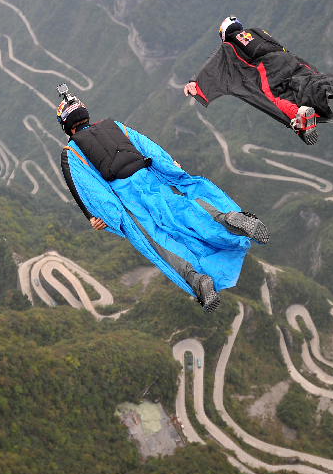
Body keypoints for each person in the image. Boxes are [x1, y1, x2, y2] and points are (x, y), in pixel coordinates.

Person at [55, 84, 268, 312]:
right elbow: (147, 146)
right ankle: (226, 218)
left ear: (67, 127)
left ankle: (196, 279)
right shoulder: (113, 126)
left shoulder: (72, 152)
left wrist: (101, 218)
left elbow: (87, 189)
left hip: (128, 199)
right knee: (184, 210)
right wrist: (169, 166)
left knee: (158, 242)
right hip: (148, 178)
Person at [183, 16, 333, 145]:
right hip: (290, 59)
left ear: (224, 34)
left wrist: (195, 81)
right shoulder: (258, 31)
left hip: (267, 67)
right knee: (318, 81)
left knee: (273, 97)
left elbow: (214, 62)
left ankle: (300, 118)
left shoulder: (229, 44)